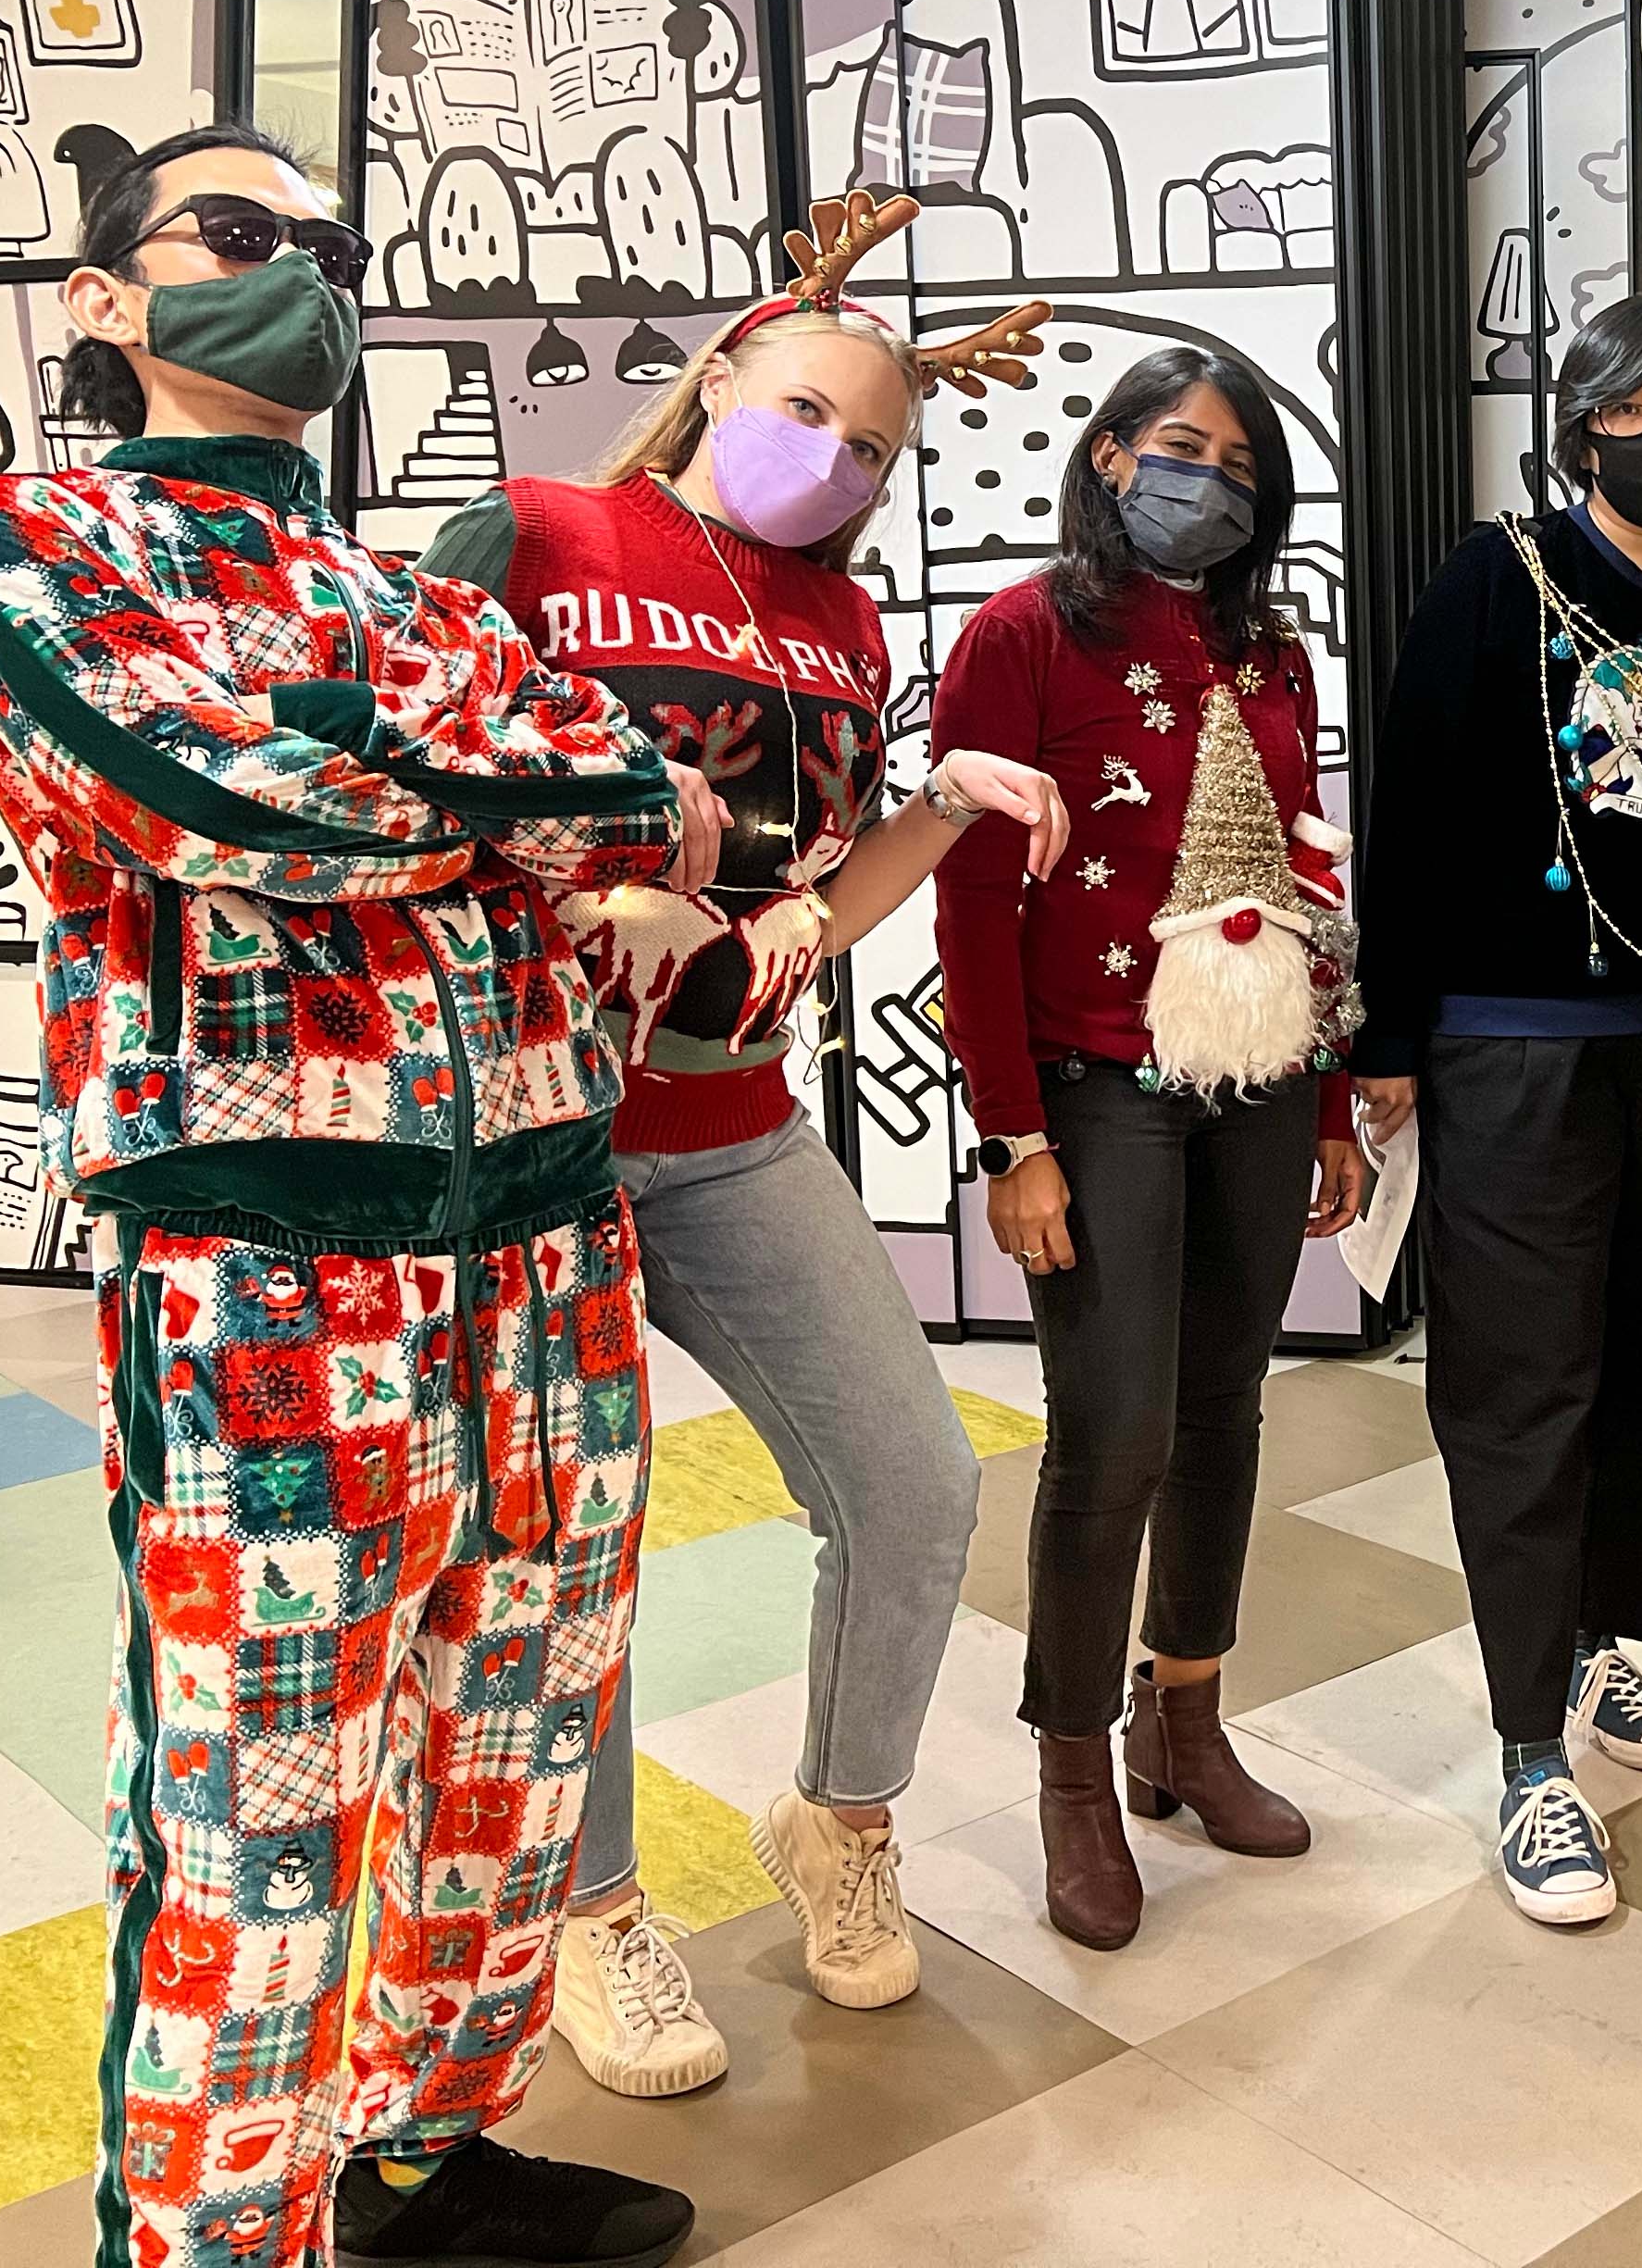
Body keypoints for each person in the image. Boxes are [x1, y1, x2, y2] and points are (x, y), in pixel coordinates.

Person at [0, 126, 708, 2268]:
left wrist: (394, 750)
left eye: (330, 244)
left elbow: (630, 794)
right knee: (258, 1821)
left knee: (517, 1748)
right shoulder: (33, 537)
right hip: (269, 1262)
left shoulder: (418, 593)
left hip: (550, 1241)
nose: (304, 273)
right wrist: (489, 792)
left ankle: (426, 2161)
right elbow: (208, 796)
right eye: (244, 233)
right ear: (109, 298)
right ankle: (216, 2243)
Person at [420, 190, 1067, 2095]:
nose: (834, 460)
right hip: (531, 1136)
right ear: (719, 379)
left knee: (914, 1483)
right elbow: (405, 796)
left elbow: (811, 911)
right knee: (567, 1537)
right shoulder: (539, 532)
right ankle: (592, 1905)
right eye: (806, 411)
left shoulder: (845, 621)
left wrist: (941, 807)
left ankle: (840, 1821)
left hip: (734, 1124)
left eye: (871, 447)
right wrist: (576, 882)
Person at [929, 347, 1370, 1952]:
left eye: (1242, 465)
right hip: (1094, 1080)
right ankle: (1072, 1773)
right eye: (1182, 446)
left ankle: (1185, 1720)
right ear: (1111, 454)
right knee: (1112, 1431)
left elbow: (1308, 874)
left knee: (1222, 1413)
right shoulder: (1024, 635)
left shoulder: (1272, 651)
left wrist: (1331, 1095)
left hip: (1259, 1074)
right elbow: (973, 896)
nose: (1211, 481)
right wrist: (1013, 1137)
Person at [1353, 297, 1642, 1926]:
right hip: (1515, 1049)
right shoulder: (1499, 580)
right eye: (1629, 408)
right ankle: (1531, 1751)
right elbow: (1410, 809)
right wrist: (1392, 1036)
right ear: (1583, 425)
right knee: (1525, 1387)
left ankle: (1599, 1647)